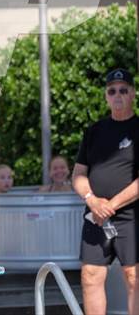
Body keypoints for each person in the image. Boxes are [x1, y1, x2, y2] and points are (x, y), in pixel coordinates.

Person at [72, 68, 139, 315]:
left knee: (134, 276)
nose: (118, 95)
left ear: (133, 94)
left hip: (130, 216)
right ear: (106, 96)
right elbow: (78, 174)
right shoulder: (94, 131)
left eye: (123, 90)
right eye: (112, 91)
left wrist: (110, 204)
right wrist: (92, 200)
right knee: (90, 275)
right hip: (95, 215)